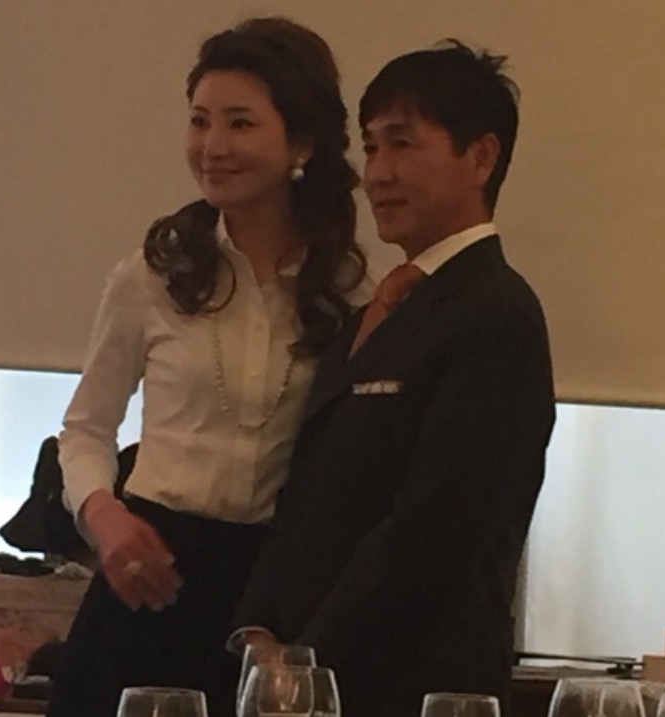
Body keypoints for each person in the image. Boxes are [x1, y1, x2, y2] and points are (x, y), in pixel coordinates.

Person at [46, 17, 366, 717]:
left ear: (302, 143)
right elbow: (85, 429)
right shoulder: (151, 274)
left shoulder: (347, 289)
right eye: (199, 121)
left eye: (240, 123)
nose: (212, 146)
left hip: (269, 597)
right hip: (148, 574)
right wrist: (105, 516)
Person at [231, 40, 556, 717]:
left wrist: (308, 661)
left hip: (419, 688)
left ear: (481, 157)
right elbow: (308, 493)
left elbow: (434, 529)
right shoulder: (371, 311)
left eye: (403, 145)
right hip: (313, 681)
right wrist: (260, 629)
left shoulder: (497, 314)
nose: (378, 173)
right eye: (371, 147)